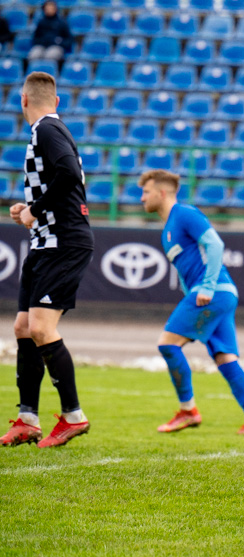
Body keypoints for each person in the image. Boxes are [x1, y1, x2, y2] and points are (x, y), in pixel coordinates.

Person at [1, 72, 94, 448]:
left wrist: (35, 210)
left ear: (23, 101)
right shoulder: (49, 129)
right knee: (23, 327)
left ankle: (74, 416)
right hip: (45, 241)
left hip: (63, 241)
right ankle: (28, 419)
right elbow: (62, 178)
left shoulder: (47, 129)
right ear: (56, 100)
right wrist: (31, 209)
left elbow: (69, 174)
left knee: (40, 328)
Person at [138, 169, 244, 437]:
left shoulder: (184, 214)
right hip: (221, 294)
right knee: (225, 357)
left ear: (162, 193)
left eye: (146, 192)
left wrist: (206, 286)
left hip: (213, 292)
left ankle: (188, 410)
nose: (141, 198)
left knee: (167, 345)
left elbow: (215, 244)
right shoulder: (168, 230)